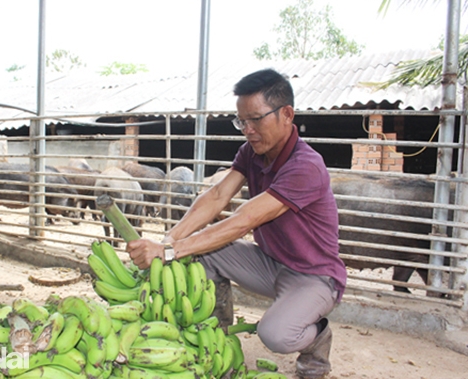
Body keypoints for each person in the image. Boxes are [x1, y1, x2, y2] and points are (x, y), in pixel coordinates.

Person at [126, 68, 347, 379]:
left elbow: (246, 219)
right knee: (204, 252)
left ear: (286, 114)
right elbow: (217, 196)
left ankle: (317, 339)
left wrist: (170, 252)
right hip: (270, 263)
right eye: (242, 121)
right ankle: (216, 338)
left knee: (275, 335)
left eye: (256, 119)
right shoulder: (252, 152)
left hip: (313, 276)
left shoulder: (306, 166)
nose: (247, 129)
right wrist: (168, 240)